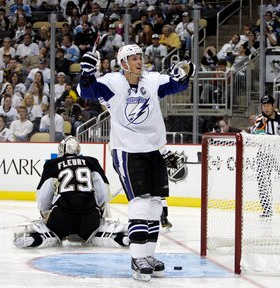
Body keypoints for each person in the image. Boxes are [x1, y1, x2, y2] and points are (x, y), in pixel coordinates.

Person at [77, 44, 195, 281]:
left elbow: (175, 84)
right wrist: (87, 72)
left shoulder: (151, 80)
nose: (139, 61)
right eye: (133, 58)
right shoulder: (113, 83)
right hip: (128, 150)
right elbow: (86, 91)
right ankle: (137, 257)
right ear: (123, 63)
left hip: (154, 149)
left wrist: (185, 73)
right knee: (140, 201)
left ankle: (147, 255)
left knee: (154, 203)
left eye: (141, 56)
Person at [14, 136, 129, 248]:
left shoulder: (52, 164)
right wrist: (98, 209)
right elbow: (103, 192)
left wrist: (45, 214)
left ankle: (40, 238)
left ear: (62, 148)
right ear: (78, 149)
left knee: (53, 232)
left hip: (62, 216)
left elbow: (43, 198)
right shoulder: (91, 162)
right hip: (89, 217)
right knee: (94, 232)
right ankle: (116, 238)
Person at [253, 95, 280, 218]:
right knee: (263, 182)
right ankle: (267, 209)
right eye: (263, 106)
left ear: (273, 105)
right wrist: (262, 124)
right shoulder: (259, 119)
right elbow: (254, 135)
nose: (265, 108)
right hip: (264, 155)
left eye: (268, 105)